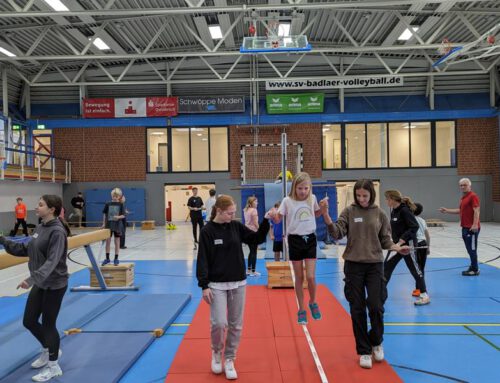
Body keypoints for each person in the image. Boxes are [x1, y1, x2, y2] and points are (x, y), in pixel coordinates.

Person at [320, 179, 409, 369]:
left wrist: (395, 247)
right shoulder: (349, 212)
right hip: (353, 266)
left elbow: (385, 240)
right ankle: (363, 350)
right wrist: (326, 215)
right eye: (358, 195)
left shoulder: (380, 214)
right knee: (357, 308)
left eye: (365, 196)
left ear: (372, 195)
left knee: (376, 306)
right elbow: (337, 233)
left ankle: (376, 341)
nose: (361, 199)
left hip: (375, 266)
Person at [196, 195, 270, 380]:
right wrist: (204, 285)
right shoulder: (207, 231)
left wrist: (267, 220)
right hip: (216, 285)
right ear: (219, 211)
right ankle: (216, 352)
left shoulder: (236, 227)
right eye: (230, 213)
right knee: (219, 323)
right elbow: (202, 260)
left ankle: (229, 358)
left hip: (238, 283)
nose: (233, 216)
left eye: (234, 212)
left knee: (236, 325)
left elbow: (256, 239)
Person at [0, 195, 70, 382]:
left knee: (48, 325)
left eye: (40, 205)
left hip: (55, 284)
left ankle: (54, 366)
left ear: (52, 209)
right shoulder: (40, 227)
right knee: (29, 321)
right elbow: (25, 250)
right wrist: (3, 240)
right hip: (41, 283)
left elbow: (52, 262)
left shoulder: (57, 231)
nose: (36, 208)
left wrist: (31, 279)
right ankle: (49, 349)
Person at [267, 172, 323, 325]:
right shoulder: (287, 201)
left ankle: (313, 302)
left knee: (311, 276)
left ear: (309, 188)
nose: (303, 191)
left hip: (310, 238)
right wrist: (273, 215)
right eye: (300, 188)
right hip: (295, 240)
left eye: (306, 188)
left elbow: (316, 214)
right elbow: (279, 218)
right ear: (294, 188)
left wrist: (323, 209)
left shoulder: (312, 199)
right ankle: (301, 309)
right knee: (299, 278)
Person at [384, 190, 430, 306]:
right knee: (387, 266)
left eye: (387, 199)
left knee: (415, 269)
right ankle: (379, 293)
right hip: (397, 246)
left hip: (407, 245)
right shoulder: (394, 211)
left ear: (393, 199)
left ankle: (424, 295)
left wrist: (401, 240)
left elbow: (413, 227)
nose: (386, 201)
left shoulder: (404, 210)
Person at [439, 178, 481, 276]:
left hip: (472, 229)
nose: (462, 187)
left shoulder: (473, 196)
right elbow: (460, 211)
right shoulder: (464, 198)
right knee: (469, 249)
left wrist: (475, 224)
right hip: (465, 228)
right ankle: (473, 265)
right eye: (461, 185)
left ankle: (475, 269)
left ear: (469, 186)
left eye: (464, 185)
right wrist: (447, 210)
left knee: (472, 249)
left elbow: (477, 210)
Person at [101, 188, 126, 266]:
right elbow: (104, 214)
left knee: (117, 242)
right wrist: (103, 223)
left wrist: (118, 217)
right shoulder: (108, 204)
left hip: (117, 226)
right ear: (111, 195)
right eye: (113, 196)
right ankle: (107, 258)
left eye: (116, 196)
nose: (115, 197)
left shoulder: (121, 204)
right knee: (108, 242)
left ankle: (116, 258)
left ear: (119, 196)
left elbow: (123, 215)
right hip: (108, 225)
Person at [413, 203, 430, 297]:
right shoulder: (422, 220)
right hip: (423, 244)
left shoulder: (409, 219)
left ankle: (419, 289)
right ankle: (420, 288)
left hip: (416, 245)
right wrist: (428, 246)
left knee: (417, 268)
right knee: (421, 268)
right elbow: (427, 235)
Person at [243, 196, 260, 276]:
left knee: (251, 251)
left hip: (246, 233)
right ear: (252, 202)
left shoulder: (245, 210)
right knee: (254, 252)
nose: (257, 203)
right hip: (253, 233)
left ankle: (249, 270)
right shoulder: (254, 210)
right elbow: (256, 223)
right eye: (256, 202)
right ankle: (253, 271)